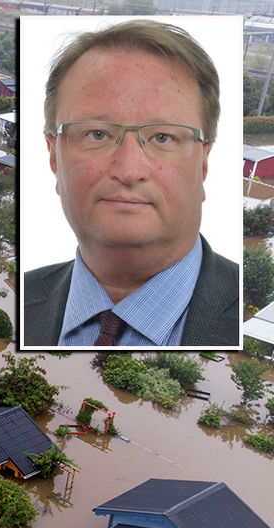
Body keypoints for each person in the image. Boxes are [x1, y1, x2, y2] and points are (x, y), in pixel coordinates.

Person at [23, 19, 239, 347]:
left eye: (163, 136)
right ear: (54, 158)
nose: (128, 170)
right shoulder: (17, 298)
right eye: (97, 134)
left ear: (204, 163)